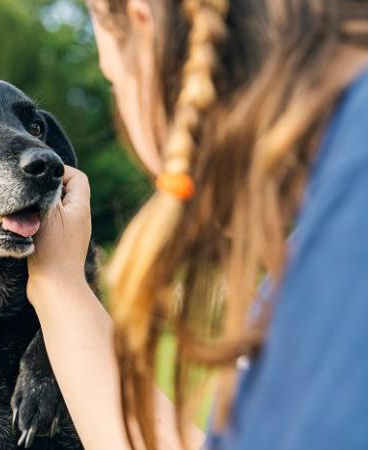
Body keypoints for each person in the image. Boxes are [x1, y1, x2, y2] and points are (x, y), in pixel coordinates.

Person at [27, 0, 368, 449]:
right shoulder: (321, 245)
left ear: (141, 21)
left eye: (113, 81)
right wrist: (59, 284)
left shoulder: (343, 254)